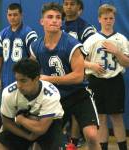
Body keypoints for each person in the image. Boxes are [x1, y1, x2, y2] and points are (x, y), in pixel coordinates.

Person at [30, 2, 101, 150]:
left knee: (92, 135)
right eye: (50, 17)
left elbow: (78, 76)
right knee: (40, 138)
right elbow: (32, 71)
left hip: (78, 94)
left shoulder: (71, 44)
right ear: (42, 21)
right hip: (54, 97)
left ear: (61, 22)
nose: (55, 20)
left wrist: (48, 79)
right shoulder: (36, 46)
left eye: (58, 17)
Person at [0, 58, 64, 150]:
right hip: (21, 128)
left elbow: (41, 128)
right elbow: (7, 123)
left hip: (49, 126)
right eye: (17, 80)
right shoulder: (8, 93)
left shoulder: (51, 94)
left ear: (36, 78)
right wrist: (27, 136)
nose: (19, 85)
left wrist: (21, 119)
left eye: (23, 81)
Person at [84, 4, 129, 150]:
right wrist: (92, 66)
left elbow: (127, 63)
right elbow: (79, 61)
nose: (108, 21)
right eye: (105, 18)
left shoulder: (121, 39)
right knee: (101, 118)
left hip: (115, 81)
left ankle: (122, 147)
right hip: (96, 81)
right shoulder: (92, 39)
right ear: (99, 19)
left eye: (111, 18)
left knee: (117, 117)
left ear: (114, 19)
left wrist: (117, 52)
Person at [62, 0, 97, 148]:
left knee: (77, 110)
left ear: (80, 8)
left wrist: (84, 71)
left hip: (80, 75)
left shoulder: (87, 28)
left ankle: (74, 140)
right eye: (66, 3)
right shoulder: (58, 25)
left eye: (72, 4)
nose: (68, 7)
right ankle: (62, 138)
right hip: (61, 75)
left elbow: (91, 55)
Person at [0, 3, 38, 90]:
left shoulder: (29, 33)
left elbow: (34, 56)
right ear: (7, 15)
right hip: (6, 79)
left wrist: (25, 73)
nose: (12, 17)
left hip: (23, 80)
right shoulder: (3, 34)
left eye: (15, 15)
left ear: (21, 15)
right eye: (10, 15)